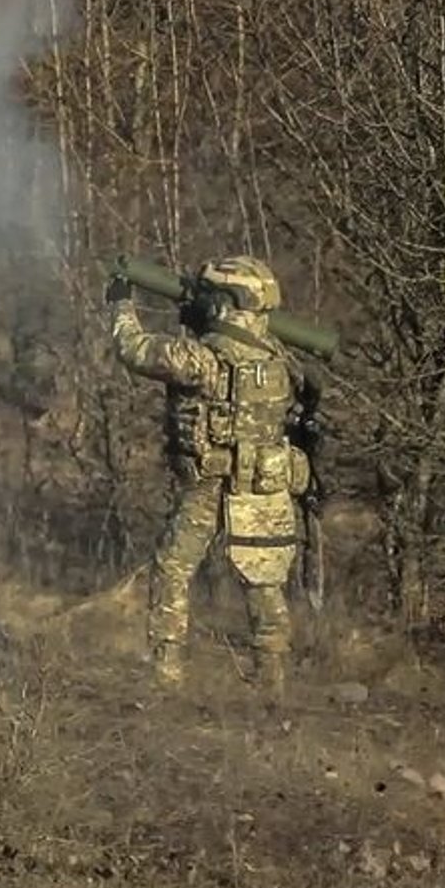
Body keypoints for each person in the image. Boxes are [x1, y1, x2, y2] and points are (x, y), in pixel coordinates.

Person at [107, 255, 311, 693]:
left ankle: (167, 673)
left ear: (222, 303)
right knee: (263, 578)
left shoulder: (200, 358)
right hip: (262, 483)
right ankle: (271, 679)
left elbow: (133, 349)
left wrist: (121, 303)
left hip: (209, 484)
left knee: (172, 569)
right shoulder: (277, 358)